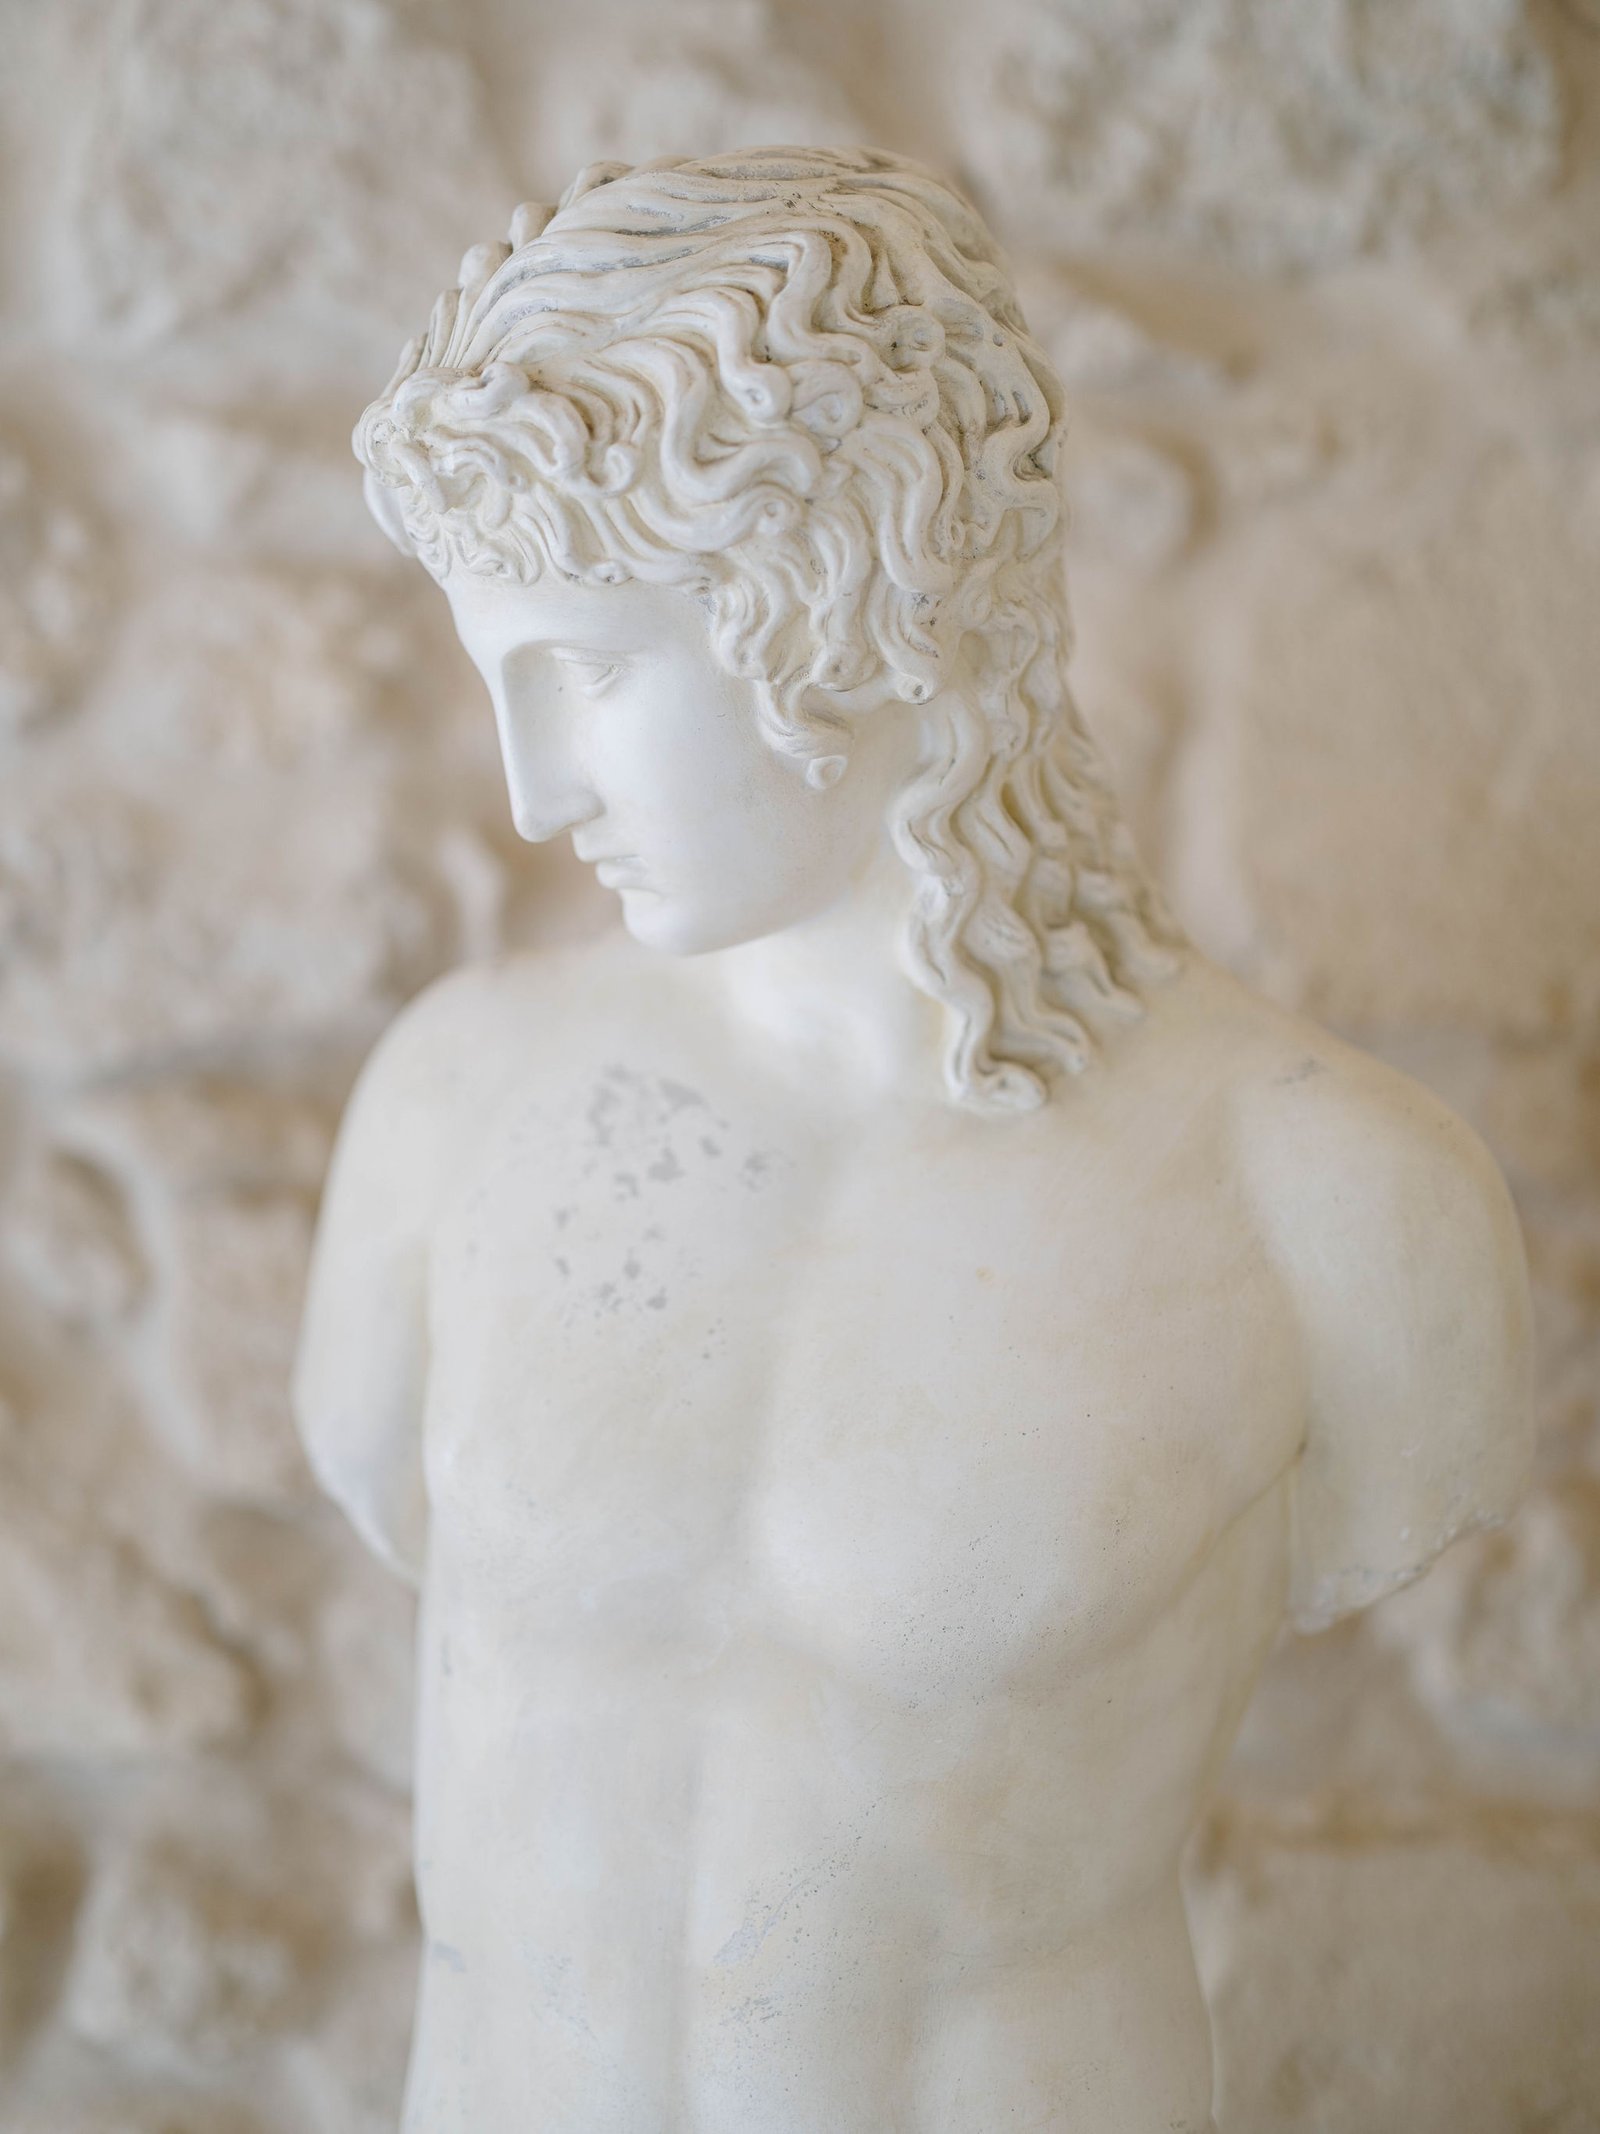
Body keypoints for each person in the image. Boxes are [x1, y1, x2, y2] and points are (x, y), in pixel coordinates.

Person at [295, 147, 1532, 2133]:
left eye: (593, 672)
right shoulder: (454, 1107)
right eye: (492, 681)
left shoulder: (1328, 1201)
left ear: (847, 589)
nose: (530, 795)